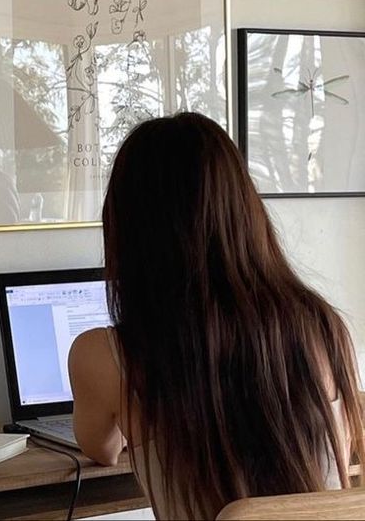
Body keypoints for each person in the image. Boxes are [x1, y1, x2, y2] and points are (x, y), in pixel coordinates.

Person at [68, 112, 364, 520]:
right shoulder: (323, 327)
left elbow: (101, 448)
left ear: (129, 232)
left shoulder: (105, 354)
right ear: (245, 210)